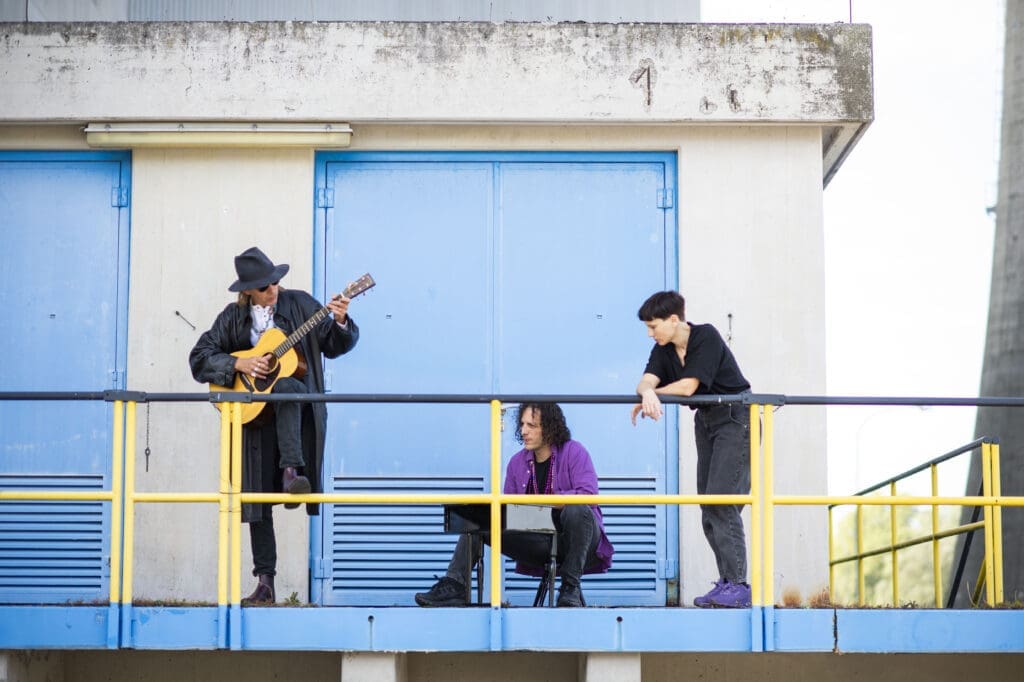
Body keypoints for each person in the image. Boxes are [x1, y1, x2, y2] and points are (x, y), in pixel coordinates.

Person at [189, 246, 359, 605]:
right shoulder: (232, 319)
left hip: (294, 418)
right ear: (247, 290)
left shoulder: (301, 305)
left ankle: (291, 470)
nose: (274, 290)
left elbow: (332, 344)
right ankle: (265, 583)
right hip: (252, 420)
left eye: (276, 282)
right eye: (266, 287)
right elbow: (200, 357)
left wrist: (340, 320)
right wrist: (240, 365)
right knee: (256, 503)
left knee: (288, 385)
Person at [415, 403, 614, 608]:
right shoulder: (517, 463)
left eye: (532, 425)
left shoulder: (574, 451)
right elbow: (508, 512)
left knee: (577, 507)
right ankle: (455, 585)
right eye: (522, 424)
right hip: (539, 540)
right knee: (479, 517)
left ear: (550, 428)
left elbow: (589, 495)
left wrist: (554, 501)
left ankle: (570, 587)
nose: (524, 431)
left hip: (579, 540)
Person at [631, 290, 752, 608]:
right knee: (707, 508)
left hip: (734, 418)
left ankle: (739, 585)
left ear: (674, 320)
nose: (649, 333)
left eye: (653, 325)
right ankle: (727, 582)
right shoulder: (663, 348)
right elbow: (644, 383)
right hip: (707, 421)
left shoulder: (706, 336)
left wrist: (654, 394)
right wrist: (648, 393)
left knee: (721, 502)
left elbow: (688, 387)